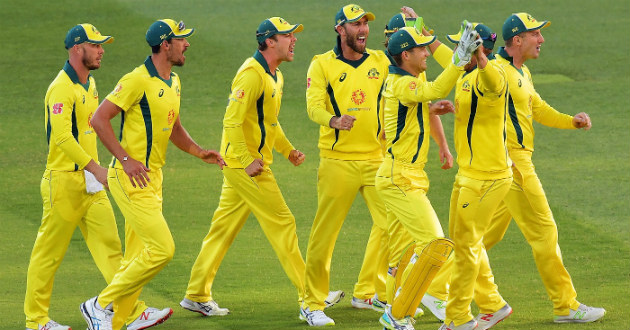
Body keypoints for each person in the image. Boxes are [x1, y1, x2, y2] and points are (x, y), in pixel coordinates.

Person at [180, 16, 338, 319]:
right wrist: (247, 158)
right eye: (287, 36)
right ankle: (311, 297)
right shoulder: (251, 75)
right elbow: (232, 121)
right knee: (284, 223)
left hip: (246, 164)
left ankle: (196, 293)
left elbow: (269, 123)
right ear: (269, 41)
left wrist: (288, 150)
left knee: (222, 229)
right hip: (245, 166)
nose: (294, 40)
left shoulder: (274, 76)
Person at [80, 19, 225, 330]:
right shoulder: (136, 80)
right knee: (162, 249)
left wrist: (199, 151)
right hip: (130, 178)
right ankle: (98, 305)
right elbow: (98, 119)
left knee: (137, 256)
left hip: (153, 178)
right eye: (181, 40)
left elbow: (173, 127)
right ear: (165, 45)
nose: (187, 44)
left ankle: (124, 317)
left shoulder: (172, 82)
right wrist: (125, 158)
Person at [25, 23, 171, 330]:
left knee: (112, 252)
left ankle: (127, 312)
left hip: (91, 184)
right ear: (78, 49)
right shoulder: (61, 89)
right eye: (96, 45)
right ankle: (36, 320)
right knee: (48, 255)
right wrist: (96, 168)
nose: (102, 50)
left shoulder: (88, 84)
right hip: (63, 182)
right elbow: (62, 139)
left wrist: (94, 173)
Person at [483, 12, 605, 323]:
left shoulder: (519, 72)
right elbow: (470, 75)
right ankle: (566, 305)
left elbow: (537, 107)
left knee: (481, 238)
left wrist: (571, 122)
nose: (542, 39)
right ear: (517, 40)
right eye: (536, 34)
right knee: (545, 232)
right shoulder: (497, 70)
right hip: (515, 164)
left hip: (508, 166)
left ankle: (429, 287)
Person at [375, 24, 480, 330]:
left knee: (416, 249)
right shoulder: (401, 83)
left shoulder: (404, 81)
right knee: (435, 244)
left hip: (406, 176)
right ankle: (396, 313)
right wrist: (458, 60)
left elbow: (418, 104)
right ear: (405, 54)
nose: (426, 53)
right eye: (421, 49)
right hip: (399, 178)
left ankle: (403, 309)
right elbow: (432, 89)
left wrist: (430, 109)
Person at [300, 4, 391, 326]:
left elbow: (412, 77)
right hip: (337, 162)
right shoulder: (321, 64)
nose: (363, 29)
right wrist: (333, 120)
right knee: (325, 235)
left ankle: (371, 292)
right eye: (356, 24)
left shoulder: (381, 61)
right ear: (340, 30)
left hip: (377, 160)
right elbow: (312, 108)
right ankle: (311, 303)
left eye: (365, 23)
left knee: (392, 225)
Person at [438, 23, 514, 330]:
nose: (458, 51)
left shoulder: (491, 74)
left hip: (487, 179)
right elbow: (445, 56)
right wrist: (418, 25)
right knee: (463, 243)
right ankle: (493, 304)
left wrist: (480, 55)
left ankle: (458, 317)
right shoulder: (465, 73)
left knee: (468, 245)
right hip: (468, 175)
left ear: (478, 50)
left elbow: (493, 82)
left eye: (464, 47)